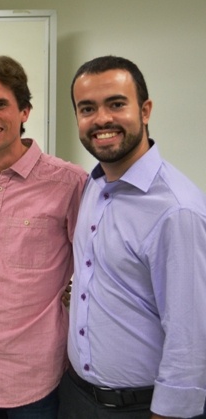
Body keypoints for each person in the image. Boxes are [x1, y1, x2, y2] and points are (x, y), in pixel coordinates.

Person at [60, 55, 206, 419]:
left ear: (145, 110)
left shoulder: (176, 209)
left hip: (142, 409)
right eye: (87, 108)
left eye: (116, 104)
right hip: (78, 398)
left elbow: (191, 333)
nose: (102, 119)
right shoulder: (95, 185)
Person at [0, 56, 87, 418]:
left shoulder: (69, 183)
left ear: (24, 111)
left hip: (34, 378)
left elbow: (95, 267)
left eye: (0, 104)